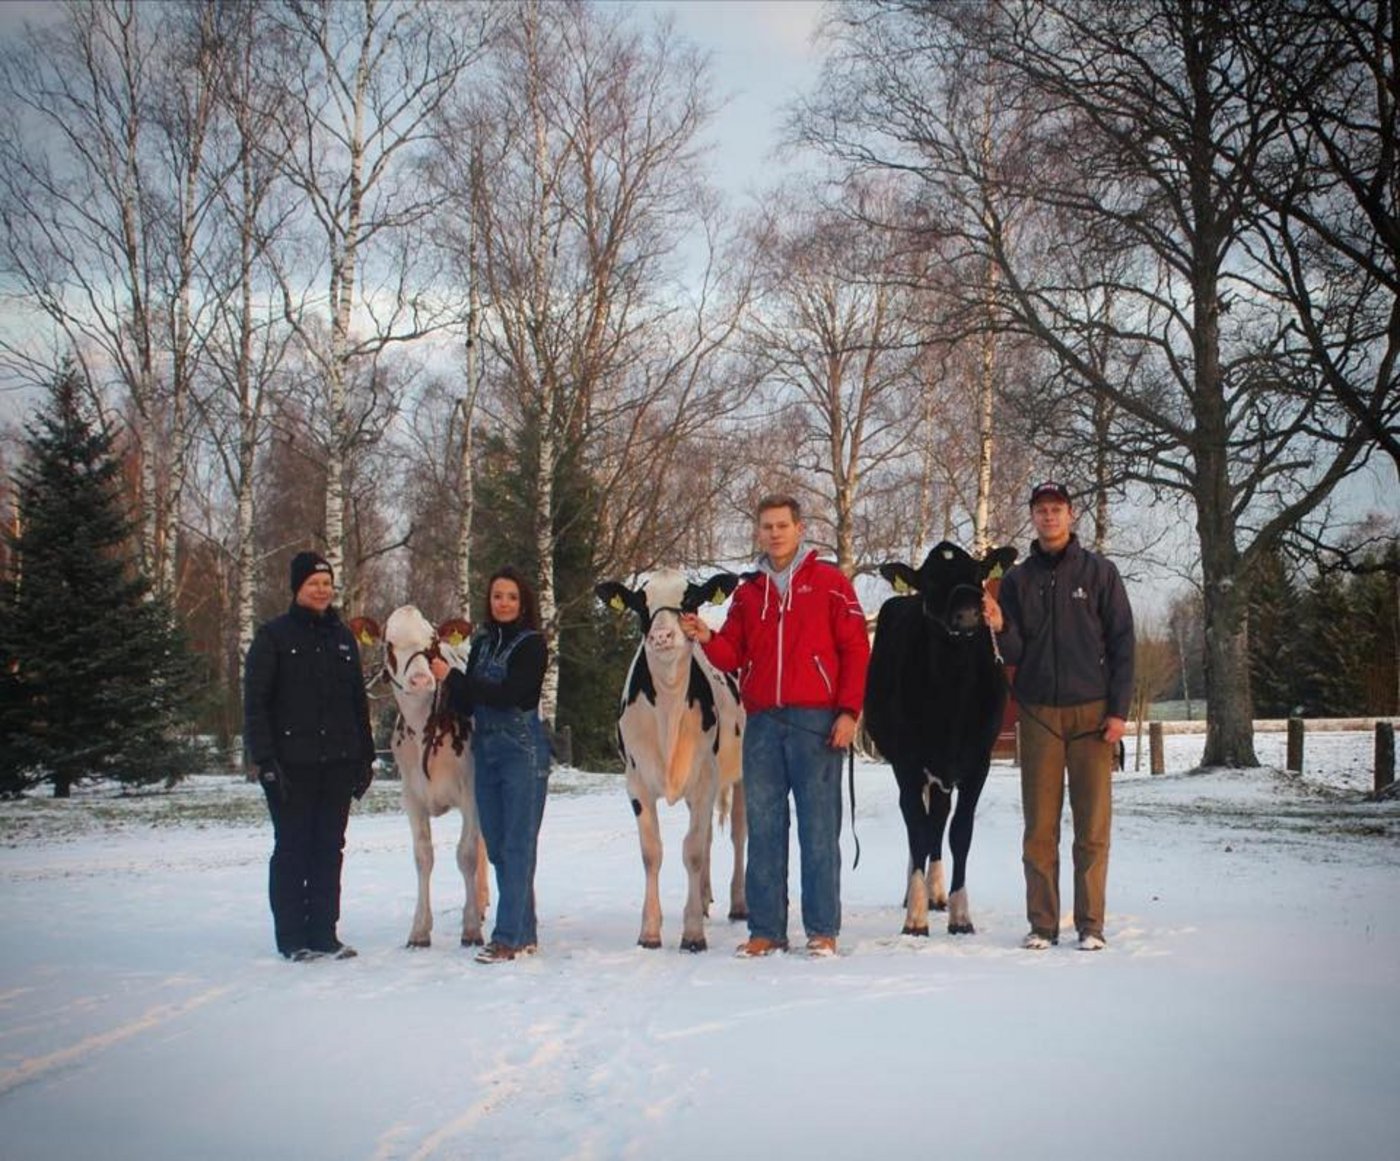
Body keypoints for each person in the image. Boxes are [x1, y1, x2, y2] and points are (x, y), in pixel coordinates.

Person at [680, 494, 870, 958]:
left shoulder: (830, 584)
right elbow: (731, 654)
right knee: (764, 827)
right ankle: (766, 929)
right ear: (759, 533)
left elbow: (855, 650)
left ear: (800, 529)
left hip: (817, 722)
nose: (774, 533)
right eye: (766, 526)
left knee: (819, 829)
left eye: (782, 525)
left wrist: (848, 711)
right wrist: (707, 637)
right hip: (762, 722)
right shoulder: (749, 593)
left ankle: (822, 929)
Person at [982, 481, 1134, 952]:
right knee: (1039, 830)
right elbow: (1013, 652)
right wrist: (1001, 624)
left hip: (1092, 715)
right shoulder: (1018, 580)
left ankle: (1091, 924)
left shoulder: (1100, 572)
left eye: (1056, 509)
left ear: (1071, 515)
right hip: (1040, 714)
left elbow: (1123, 643)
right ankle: (1043, 924)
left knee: (1092, 827)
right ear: (1033, 517)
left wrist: (1118, 711)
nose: (1049, 517)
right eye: (1041, 510)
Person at [244, 551, 376, 962]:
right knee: (293, 848)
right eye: (313, 583)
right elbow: (256, 703)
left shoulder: (342, 638)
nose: (321, 589)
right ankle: (292, 937)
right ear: (297, 588)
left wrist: (364, 757)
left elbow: (358, 701)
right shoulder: (274, 637)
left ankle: (323, 932)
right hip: (290, 765)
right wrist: (265, 760)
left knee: (328, 848)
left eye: (326, 583)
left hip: (337, 761)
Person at [431, 566, 551, 964]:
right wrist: (446, 684)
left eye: (512, 597)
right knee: (497, 846)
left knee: (518, 845)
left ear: (524, 602)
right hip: (487, 750)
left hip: (522, 751)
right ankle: (526, 930)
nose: (503, 603)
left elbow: (511, 694)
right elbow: (469, 703)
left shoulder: (533, 645)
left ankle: (508, 938)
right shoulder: (481, 643)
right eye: (498, 596)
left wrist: (457, 678)